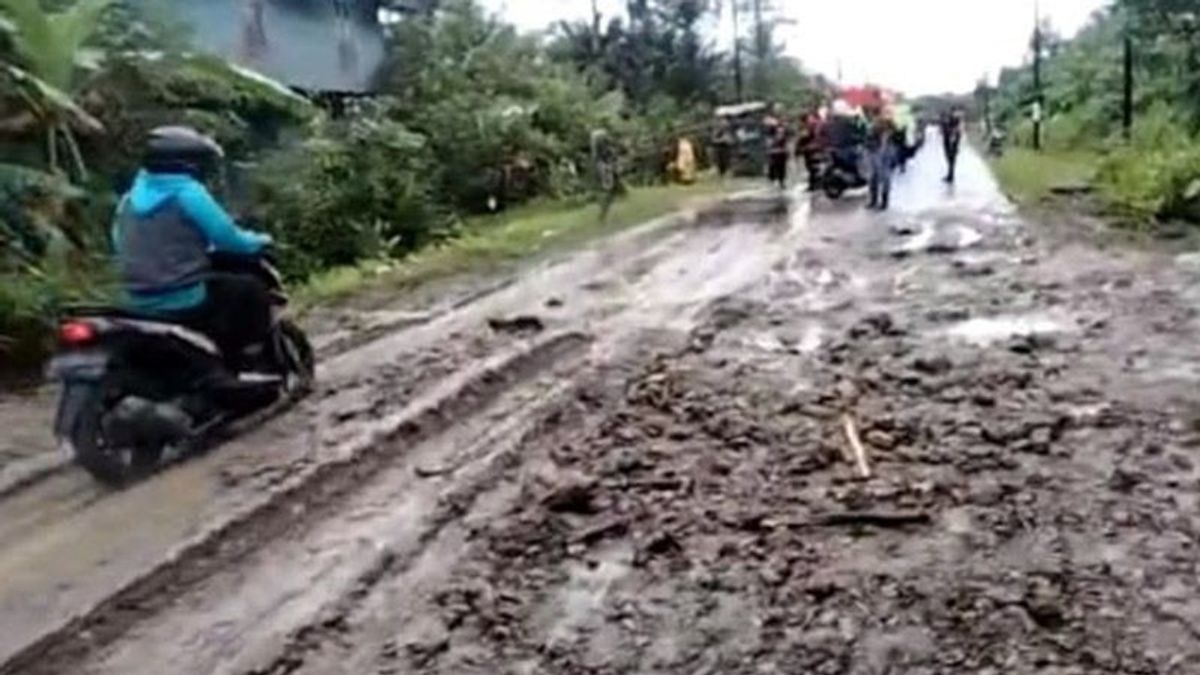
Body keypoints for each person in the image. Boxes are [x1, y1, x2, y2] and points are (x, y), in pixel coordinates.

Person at [112, 126, 273, 367]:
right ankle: (249, 358)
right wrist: (259, 241)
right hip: (182, 294)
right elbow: (227, 237)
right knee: (250, 289)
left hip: (136, 298)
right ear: (189, 162)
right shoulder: (188, 192)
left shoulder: (130, 197)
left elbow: (117, 239)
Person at [866, 108, 897, 210]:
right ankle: (875, 201)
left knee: (883, 176)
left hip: (881, 152)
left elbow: (885, 138)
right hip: (875, 151)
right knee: (873, 177)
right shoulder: (876, 123)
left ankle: (882, 202)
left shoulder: (885, 123)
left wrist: (881, 151)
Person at [590, 127, 622, 222]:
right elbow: (608, 158)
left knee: (609, 190)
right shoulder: (603, 150)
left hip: (604, 167)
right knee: (608, 190)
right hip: (605, 167)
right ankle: (603, 214)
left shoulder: (598, 152)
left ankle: (604, 213)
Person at [796, 109, 825, 191]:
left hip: (811, 149)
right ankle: (818, 183)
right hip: (818, 147)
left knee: (811, 167)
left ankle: (814, 185)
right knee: (815, 166)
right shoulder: (818, 123)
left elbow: (803, 138)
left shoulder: (807, 126)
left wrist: (798, 149)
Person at [764, 109, 790, 189]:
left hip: (779, 151)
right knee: (778, 167)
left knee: (778, 167)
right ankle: (779, 180)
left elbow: (785, 140)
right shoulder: (774, 132)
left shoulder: (780, 130)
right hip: (778, 151)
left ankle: (779, 181)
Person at [941, 107, 965, 184]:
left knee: (951, 158)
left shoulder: (957, 120)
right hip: (949, 141)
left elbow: (958, 131)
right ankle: (950, 174)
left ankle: (950, 175)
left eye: (956, 112)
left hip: (952, 141)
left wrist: (954, 135)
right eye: (954, 112)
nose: (956, 113)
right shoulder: (950, 119)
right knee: (949, 158)